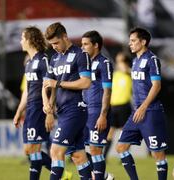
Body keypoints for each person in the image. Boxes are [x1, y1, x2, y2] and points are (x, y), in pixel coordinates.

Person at [116, 27, 168, 180]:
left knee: (157, 154)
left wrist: (144, 107)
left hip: (150, 111)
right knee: (121, 147)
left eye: (133, 41)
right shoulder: (135, 60)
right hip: (137, 112)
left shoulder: (152, 59)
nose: (130, 44)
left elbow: (156, 86)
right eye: (130, 40)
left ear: (143, 41)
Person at [42, 22, 92, 180]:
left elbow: (86, 82)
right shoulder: (55, 58)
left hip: (75, 109)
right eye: (51, 44)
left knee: (56, 151)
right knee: (78, 157)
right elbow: (48, 85)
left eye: (56, 43)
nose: (54, 47)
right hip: (63, 112)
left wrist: (58, 83)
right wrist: (47, 104)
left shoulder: (80, 54)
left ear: (65, 36)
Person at [13, 26, 52, 180]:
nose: (21, 41)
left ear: (30, 40)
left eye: (23, 38)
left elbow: (50, 87)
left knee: (33, 148)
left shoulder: (43, 60)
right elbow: (27, 91)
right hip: (30, 109)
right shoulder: (29, 63)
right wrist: (19, 111)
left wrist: (48, 111)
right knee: (29, 151)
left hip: (39, 108)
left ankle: (59, 172)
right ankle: (61, 173)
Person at [81, 30, 113, 179]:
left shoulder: (104, 63)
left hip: (97, 111)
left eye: (86, 44)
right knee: (78, 149)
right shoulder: (84, 63)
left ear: (96, 45)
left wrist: (103, 115)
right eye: (81, 44)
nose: (82, 47)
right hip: (84, 111)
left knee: (95, 150)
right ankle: (105, 177)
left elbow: (107, 91)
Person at [104, 52, 132, 158]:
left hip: (124, 106)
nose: (118, 63)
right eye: (117, 61)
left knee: (124, 133)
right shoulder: (115, 74)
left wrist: (126, 68)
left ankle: (124, 156)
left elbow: (130, 72)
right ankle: (104, 156)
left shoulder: (129, 73)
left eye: (121, 61)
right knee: (109, 132)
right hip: (113, 107)